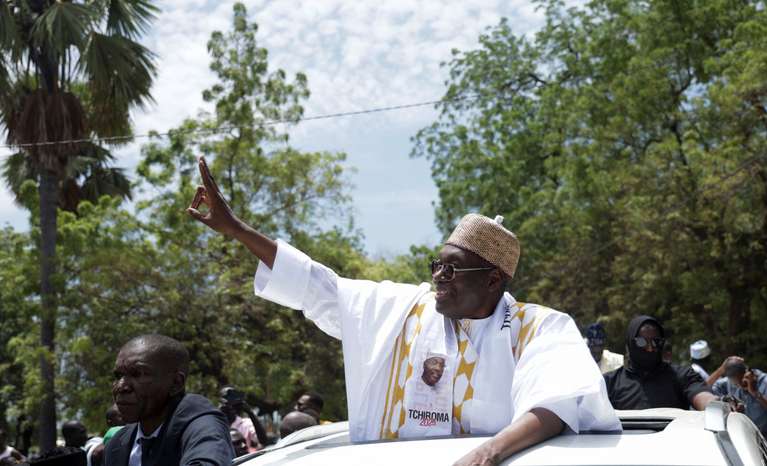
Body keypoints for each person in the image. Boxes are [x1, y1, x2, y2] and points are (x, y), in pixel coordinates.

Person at [187, 157, 621, 465]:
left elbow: (555, 404)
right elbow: (320, 287)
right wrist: (237, 230)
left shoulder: (539, 327)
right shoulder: (405, 310)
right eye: (437, 265)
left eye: (453, 269)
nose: (439, 277)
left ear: (492, 280)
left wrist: (489, 454)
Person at [104, 334, 233, 466]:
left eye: (138, 374)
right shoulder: (117, 444)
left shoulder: (202, 424)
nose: (121, 387)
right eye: (118, 376)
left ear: (176, 383)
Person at [604, 315, 718, 411]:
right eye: (641, 342)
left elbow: (701, 396)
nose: (649, 348)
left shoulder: (681, 375)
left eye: (656, 342)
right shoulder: (610, 383)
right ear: (630, 344)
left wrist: (715, 405)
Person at [710, 357, 767, 463]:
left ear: (747, 373)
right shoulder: (726, 384)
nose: (739, 386)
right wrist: (727, 402)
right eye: (736, 384)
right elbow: (707, 390)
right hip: (743, 446)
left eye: (742, 382)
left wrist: (756, 394)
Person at [218, 386, 267, 453]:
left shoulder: (247, 423)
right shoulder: (218, 426)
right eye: (225, 400)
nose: (230, 406)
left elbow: (263, 441)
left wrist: (250, 413)